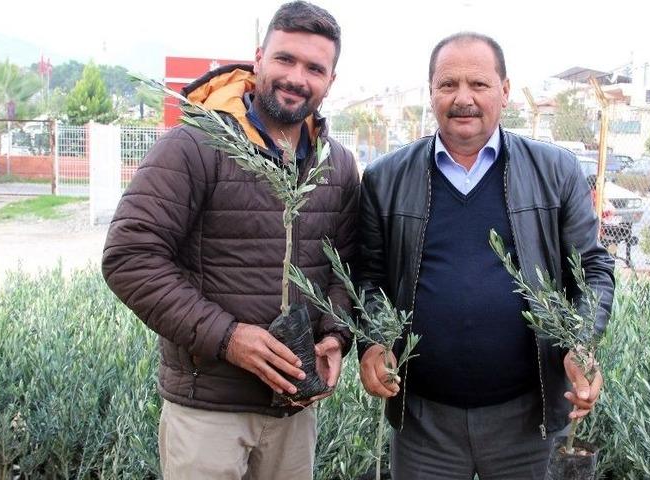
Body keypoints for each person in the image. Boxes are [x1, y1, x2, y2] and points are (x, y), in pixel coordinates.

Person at [101, 2, 358, 479]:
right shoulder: (195, 145)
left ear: (331, 80)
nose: (296, 78)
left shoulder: (337, 164)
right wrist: (228, 338)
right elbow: (130, 257)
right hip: (209, 409)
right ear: (258, 59)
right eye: (285, 59)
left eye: (314, 68)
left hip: (295, 409)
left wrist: (334, 335)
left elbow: (344, 266)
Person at [356, 32, 616, 479]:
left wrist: (581, 342)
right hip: (423, 424)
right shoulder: (386, 178)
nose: (463, 99)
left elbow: (593, 268)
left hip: (527, 422)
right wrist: (373, 342)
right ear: (431, 92)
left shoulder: (555, 171)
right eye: (448, 84)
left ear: (505, 91)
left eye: (478, 84)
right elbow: (369, 277)